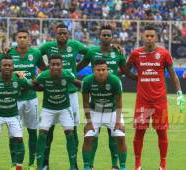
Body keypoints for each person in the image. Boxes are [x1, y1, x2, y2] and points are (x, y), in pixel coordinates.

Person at [77, 25, 137, 170]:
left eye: (108, 35)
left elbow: (126, 71)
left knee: (115, 137)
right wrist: (68, 75)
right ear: (99, 37)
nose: (106, 37)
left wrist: (144, 78)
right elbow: (79, 66)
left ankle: (116, 166)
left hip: (112, 102)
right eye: (103, 35)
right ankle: (89, 165)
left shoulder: (117, 53)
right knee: (92, 136)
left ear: (112, 37)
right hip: (96, 105)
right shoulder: (92, 52)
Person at [126, 25, 185, 170]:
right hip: (143, 101)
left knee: (161, 131)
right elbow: (125, 69)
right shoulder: (136, 54)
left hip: (159, 101)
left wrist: (179, 93)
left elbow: (173, 75)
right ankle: (137, 164)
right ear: (142, 37)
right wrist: (137, 78)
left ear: (156, 38)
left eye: (152, 36)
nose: (149, 38)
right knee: (139, 131)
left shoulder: (164, 53)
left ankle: (162, 164)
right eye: (147, 36)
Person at [39, 24, 89, 169]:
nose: (62, 35)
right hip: (52, 93)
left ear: (68, 35)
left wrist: (76, 68)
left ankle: (74, 164)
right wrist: (45, 69)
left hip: (71, 93)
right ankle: (45, 163)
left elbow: (90, 54)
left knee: (72, 130)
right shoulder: (48, 46)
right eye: (59, 33)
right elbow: (35, 55)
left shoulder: (74, 45)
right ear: (56, 34)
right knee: (48, 130)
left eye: (64, 33)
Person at [34, 55, 81, 170]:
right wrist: (41, 88)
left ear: (62, 65)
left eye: (58, 64)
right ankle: (40, 166)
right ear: (49, 65)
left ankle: (73, 166)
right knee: (42, 134)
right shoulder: (44, 75)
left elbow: (77, 83)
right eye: (53, 64)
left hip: (64, 109)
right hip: (48, 109)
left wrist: (91, 85)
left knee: (70, 133)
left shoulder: (67, 74)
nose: (55, 67)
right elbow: (34, 83)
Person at [7, 28, 45, 169]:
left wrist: (35, 81)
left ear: (29, 39)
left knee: (32, 130)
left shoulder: (35, 53)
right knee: (13, 133)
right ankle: (14, 162)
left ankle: (31, 162)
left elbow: (44, 70)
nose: (22, 39)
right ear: (16, 39)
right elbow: (2, 71)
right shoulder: (9, 53)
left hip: (30, 98)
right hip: (13, 99)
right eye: (20, 37)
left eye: (25, 37)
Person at [0, 55, 31, 170]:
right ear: (0, 67)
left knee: (19, 139)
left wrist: (20, 92)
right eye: (4, 65)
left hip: (13, 115)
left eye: (9, 65)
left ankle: (18, 167)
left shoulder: (18, 79)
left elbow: (29, 86)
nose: (7, 67)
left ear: (13, 67)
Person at [81, 59, 127, 170]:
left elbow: (119, 103)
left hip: (111, 112)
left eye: (103, 69)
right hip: (94, 112)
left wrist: (118, 122)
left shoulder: (115, 81)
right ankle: (87, 167)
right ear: (93, 70)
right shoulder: (87, 81)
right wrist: (88, 122)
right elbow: (85, 103)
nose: (101, 72)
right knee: (88, 137)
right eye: (98, 70)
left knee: (121, 137)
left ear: (107, 70)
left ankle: (122, 167)